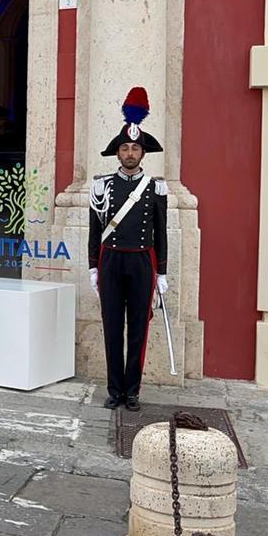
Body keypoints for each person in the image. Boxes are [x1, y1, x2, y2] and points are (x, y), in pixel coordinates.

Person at [88, 86, 168, 412]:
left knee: (138, 327)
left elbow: (161, 232)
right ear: (117, 152)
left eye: (135, 147)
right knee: (111, 327)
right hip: (111, 262)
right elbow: (96, 228)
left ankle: (132, 390)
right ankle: (114, 389)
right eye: (125, 148)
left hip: (141, 263)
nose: (130, 153)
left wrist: (162, 271)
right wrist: (93, 265)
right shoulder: (101, 186)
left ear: (143, 153)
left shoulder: (155, 187)